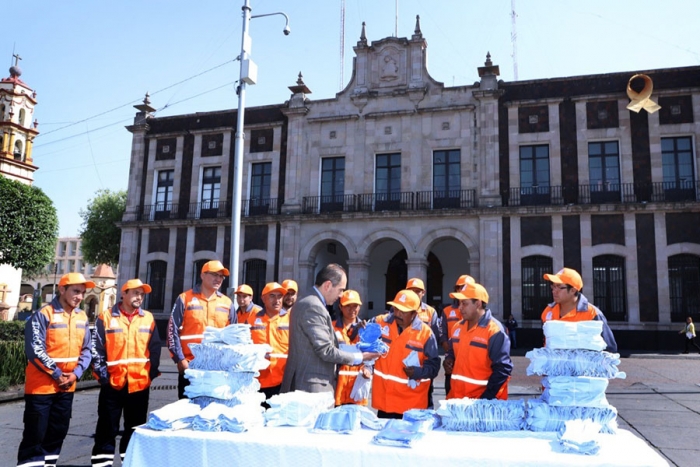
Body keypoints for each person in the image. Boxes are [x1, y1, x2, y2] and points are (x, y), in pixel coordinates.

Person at [17, 273, 94, 467]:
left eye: (83, 293)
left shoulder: (82, 316)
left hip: (67, 387)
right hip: (41, 389)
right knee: (35, 437)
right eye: (76, 291)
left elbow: (87, 349)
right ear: (62, 289)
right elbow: (34, 349)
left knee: (56, 435)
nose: (80, 297)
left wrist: (75, 374)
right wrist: (58, 375)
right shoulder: (44, 314)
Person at [91, 279, 161, 467]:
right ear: (124, 294)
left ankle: (129, 463)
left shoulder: (148, 318)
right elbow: (96, 349)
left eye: (142, 294)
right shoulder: (105, 318)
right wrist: (103, 378)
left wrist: (149, 375)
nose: (139, 297)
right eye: (136, 293)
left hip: (139, 385)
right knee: (106, 429)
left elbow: (155, 349)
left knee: (135, 429)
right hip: (113, 384)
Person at [281, 263, 378, 393]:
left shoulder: (310, 301)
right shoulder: (312, 306)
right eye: (340, 290)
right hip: (310, 385)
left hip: (308, 381)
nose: (340, 295)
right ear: (327, 285)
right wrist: (361, 356)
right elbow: (326, 350)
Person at [167, 260, 237, 399]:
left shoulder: (227, 303)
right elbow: (171, 330)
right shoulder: (184, 298)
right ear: (202, 275)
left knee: (212, 415)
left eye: (221, 276)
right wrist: (180, 360)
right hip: (190, 366)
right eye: (214, 275)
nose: (218, 279)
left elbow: (234, 336)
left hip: (218, 369)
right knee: (188, 413)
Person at [371, 290, 440, 418]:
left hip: (411, 406)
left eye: (404, 311)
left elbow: (434, 367)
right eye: (396, 309)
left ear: (414, 313)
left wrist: (418, 372)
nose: (398, 314)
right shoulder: (380, 323)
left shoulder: (426, 334)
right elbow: (362, 339)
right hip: (385, 404)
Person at [443, 282, 512, 400]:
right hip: (456, 400)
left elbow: (502, 369)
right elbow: (452, 352)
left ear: (478, 304)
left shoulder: (495, 331)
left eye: (464, 304)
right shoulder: (457, 327)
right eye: (460, 303)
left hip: (482, 405)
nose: (460, 308)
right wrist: (449, 359)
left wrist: (485, 400)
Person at [541, 267, 617, 352]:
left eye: (559, 287)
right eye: (553, 286)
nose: (554, 291)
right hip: (554, 364)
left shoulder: (592, 314)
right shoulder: (548, 311)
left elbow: (609, 349)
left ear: (573, 290)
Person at [247, 282, 290, 401]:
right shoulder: (251, 320)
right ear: (263, 298)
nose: (277, 300)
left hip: (283, 382)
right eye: (272, 296)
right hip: (258, 381)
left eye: (280, 296)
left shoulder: (291, 320)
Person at [405, 277, 441, 408]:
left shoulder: (430, 312)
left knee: (426, 394)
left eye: (417, 291)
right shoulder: (399, 309)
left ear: (423, 293)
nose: (415, 294)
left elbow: (434, 337)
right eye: (411, 291)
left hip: (424, 361)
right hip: (405, 360)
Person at [333, 290, 371, 406]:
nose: (352, 309)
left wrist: (368, 370)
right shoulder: (331, 327)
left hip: (357, 387)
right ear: (340, 307)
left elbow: (371, 356)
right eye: (347, 306)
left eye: (355, 306)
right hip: (337, 388)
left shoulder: (366, 330)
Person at [440, 274, 475, 396]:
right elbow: (443, 334)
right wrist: (451, 353)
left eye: (465, 287)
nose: (462, 290)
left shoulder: (479, 316)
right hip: (452, 359)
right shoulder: (447, 311)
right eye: (459, 287)